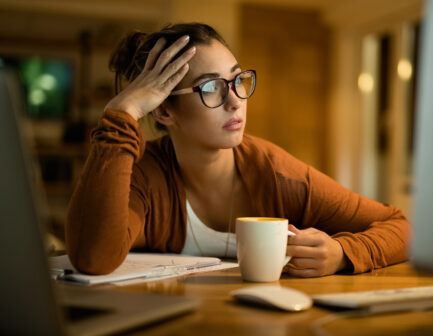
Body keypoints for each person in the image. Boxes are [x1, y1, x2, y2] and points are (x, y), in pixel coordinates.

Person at [66, 23, 410, 277]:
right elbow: (93, 258)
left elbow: (401, 227)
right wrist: (122, 112)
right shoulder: (144, 174)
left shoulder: (277, 174)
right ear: (164, 111)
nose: (235, 101)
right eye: (211, 87)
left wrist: (343, 252)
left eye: (237, 79)